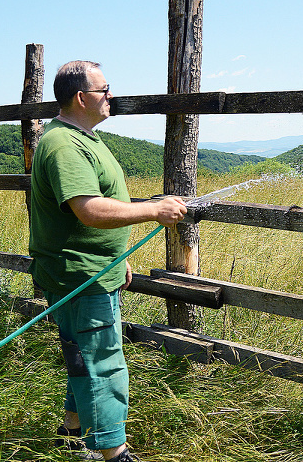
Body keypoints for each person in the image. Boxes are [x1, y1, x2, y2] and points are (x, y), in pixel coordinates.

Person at [29, 60, 187, 461]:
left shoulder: (81, 137)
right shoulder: (65, 145)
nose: (110, 96)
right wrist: (153, 210)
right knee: (103, 362)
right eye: (104, 90)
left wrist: (116, 256)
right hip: (81, 275)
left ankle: (71, 433)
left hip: (94, 269)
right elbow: (89, 210)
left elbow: (95, 208)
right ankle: (115, 453)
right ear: (81, 97)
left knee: (82, 352)